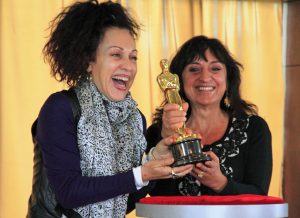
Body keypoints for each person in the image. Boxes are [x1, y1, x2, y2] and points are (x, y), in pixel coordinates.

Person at [27, 1, 193, 217]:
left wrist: (154, 161)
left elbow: (126, 201)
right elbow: (68, 192)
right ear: (88, 61)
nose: (128, 66)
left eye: (133, 57)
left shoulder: (134, 119)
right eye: (116, 55)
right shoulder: (60, 108)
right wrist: (141, 174)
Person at [146, 35, 272, 197]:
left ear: (228, 78)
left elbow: (260, 195)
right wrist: (168, 140)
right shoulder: (157, 133)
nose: (205, 78)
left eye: (215, 68)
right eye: (194, 69)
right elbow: (156, 196)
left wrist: (221, 184)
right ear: (178, 80)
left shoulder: (254, 128)